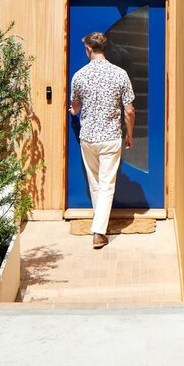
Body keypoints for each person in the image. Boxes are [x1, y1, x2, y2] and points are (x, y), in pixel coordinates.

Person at [68, 30, 134, 249]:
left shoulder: (79, 75)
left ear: (88, 49)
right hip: (110, 137)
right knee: (106, 185)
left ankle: (99, 228)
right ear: (104, 49)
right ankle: (98, 231)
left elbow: (75, 108)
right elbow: (130, 110)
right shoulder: (120, 74)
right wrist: (130, 133)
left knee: (96, 183)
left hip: (88, 138)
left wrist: (73, 111)